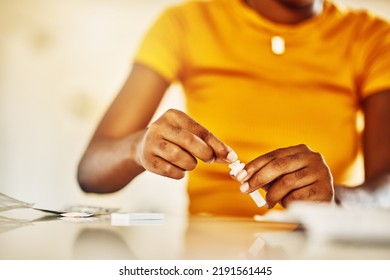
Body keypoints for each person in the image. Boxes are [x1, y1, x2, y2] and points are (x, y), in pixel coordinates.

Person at [77, 0, 390, 216]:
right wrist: (137, 147)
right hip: (207, 254)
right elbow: (90, 171)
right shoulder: (185, 24)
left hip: (321, 251)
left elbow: (385, 189)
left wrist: (339, 202)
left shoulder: (373, 38)